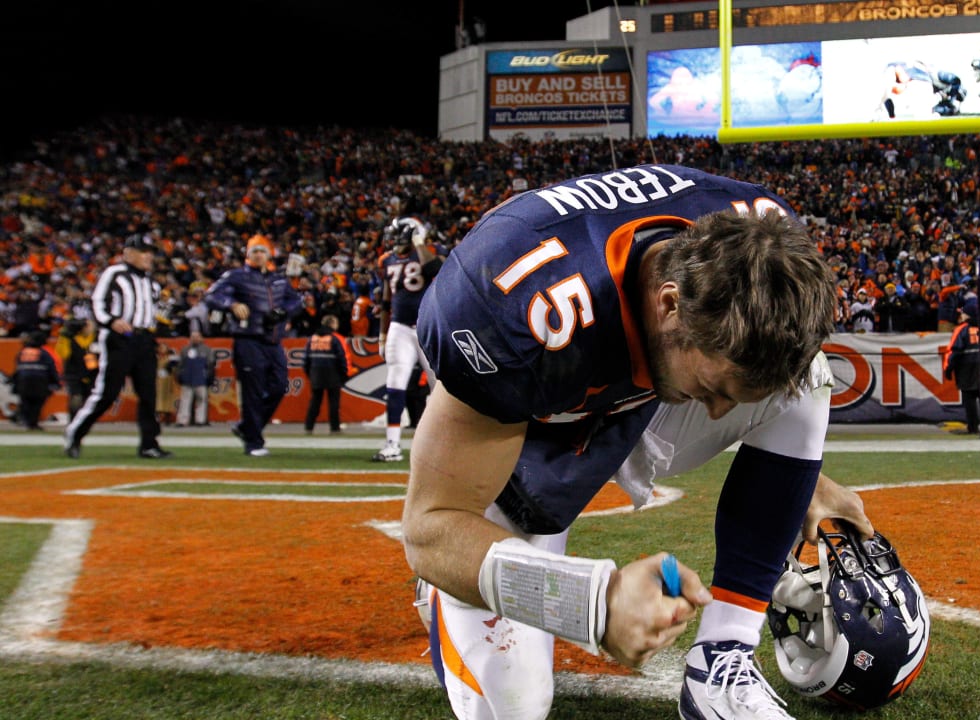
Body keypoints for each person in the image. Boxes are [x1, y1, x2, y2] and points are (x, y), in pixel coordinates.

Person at [402, 164, 873, 720]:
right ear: (670, 304)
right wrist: (593, 603)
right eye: (714, 390)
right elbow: (430, 529)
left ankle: (721, 659)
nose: (720, 413)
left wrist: (794, 476)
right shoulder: (512, 306)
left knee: (806, 377)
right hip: (526, 442)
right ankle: (446, 597)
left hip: (637, 393)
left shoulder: (763, 237)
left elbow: (746, 383)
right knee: (514, 707)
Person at [64, 234, 172, 459]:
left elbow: (153, 313)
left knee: (148, 395)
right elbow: (97, 302)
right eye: (143, 251)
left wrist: (156, 333)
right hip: (118, 339)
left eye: (150, 252)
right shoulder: (114, 273)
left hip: (143, 341)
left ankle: (149, 444)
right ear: (128, 253)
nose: (148, 256)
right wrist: (112, 321)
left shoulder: (151, 282)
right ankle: (74, 434)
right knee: (107, 392)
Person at [202, 234, 303, 457]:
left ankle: (247, 426)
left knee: (279, 385)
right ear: (248, 254)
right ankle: (254, 441)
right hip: (247, 338)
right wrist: (232, 303)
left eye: (262, 251)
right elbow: (211, 295)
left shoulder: (278, 280)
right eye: (255, 251)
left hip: (273, 340)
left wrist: (283, 312)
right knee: (253, 391)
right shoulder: (236, 276)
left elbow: (296, 301)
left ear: (269, 255)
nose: (259, 255)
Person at [372, 217, 442, 462]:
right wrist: (382, 334)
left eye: (399, 234)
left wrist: (419, 243)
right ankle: (392, 444)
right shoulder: (388, 259)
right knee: (395, 383)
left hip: (428, 327)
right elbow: (386, 299)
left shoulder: (429, 253)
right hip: (399, 327)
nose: (394, 239)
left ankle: (440, 445)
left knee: (439, 388)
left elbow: (434, 271)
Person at [302, 314, 353, 435]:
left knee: (315, 401)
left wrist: (309, 373)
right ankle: (334, 428)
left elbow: (305, 359)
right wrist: (345, 374)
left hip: (316, 373)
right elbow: (343, 357)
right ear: (332, 324)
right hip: (332, 373)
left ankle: (309, 427)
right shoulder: (336, 338)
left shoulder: (313, 338)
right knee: (334, 402)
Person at [943, 297, 980, 434]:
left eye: (963, 312)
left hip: (966, 367)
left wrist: (948, 368)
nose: (961, 315)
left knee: (969, 399)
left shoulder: (961, 329)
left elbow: (954, 349)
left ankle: (973, 426)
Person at [13, 330, 60, 431]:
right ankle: (33, 423)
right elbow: (51, 368)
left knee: (25, 401)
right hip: (40, 380)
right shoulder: (44, 353)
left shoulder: (22, 352)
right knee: (37, 403)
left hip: (23, 380)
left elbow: (17, 368)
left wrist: (15, 383)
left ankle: (26, 421)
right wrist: (56, 382)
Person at [54, 318, 97, 419]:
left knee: (89, 399)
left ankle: (85, 420)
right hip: (74, 374)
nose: (90, 328)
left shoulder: (95, 337)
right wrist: (64, 337)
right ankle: (73, 419)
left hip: (91, 373)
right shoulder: (70, 339)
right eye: (87, 326)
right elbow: (63, 354)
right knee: (76, 397)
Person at [175, 327, 215, 427]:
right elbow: (180, 365)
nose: (195, 339)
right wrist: (180, 376)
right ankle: (182, 421)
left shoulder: (206, 350)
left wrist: (209, 377)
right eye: (193, 337)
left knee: (201, 400)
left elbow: (210, 365)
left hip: (201, 379)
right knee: (185, 400)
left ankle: (200, 420)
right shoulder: (185, 349)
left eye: (197, 337)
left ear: (201, 338)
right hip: (187, 379)